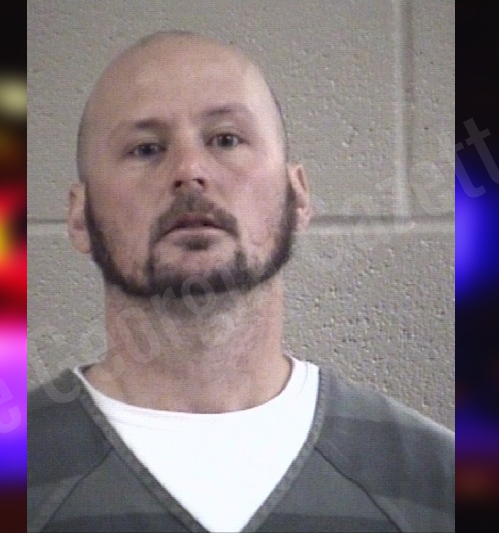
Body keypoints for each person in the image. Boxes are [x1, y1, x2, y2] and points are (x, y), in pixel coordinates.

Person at [28, 31, 454, 533]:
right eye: (146, 149)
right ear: (79, 217)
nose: (189, 171)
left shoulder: (435, 482)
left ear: (298, 196)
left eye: (226, 139)